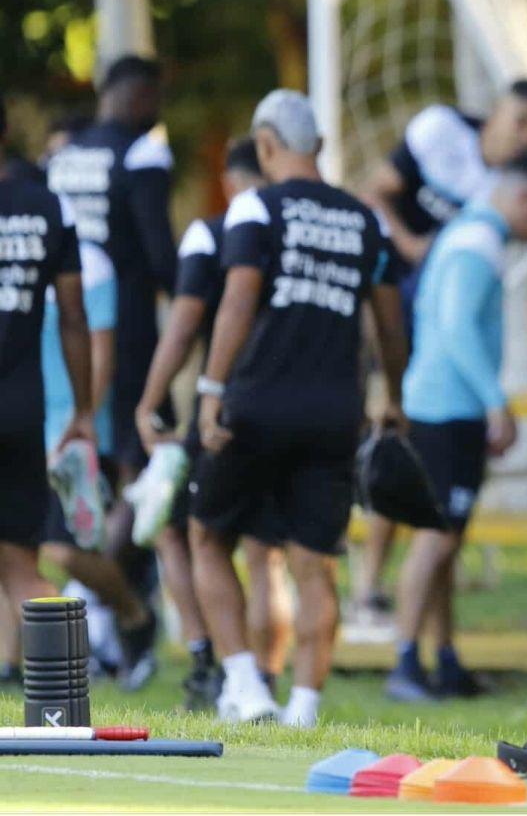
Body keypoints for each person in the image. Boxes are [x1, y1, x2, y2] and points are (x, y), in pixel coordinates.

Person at [190, 90, 406, 726]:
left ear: (265, 145)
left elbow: (238, 298)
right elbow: (390, 322)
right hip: (336, 412)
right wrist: (394, 397)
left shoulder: (256, 205)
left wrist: (210, 388)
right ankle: (304, 706)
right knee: (315, 563)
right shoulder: (367, 220)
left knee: (208, 535)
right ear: (320, 146)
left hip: (257, 401)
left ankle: (246, 687)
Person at [356, 79, 527, 622]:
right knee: (408, 468)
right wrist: (412, 245)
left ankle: (425, 636)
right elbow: (374, 192)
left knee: (433, 505)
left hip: (438, 343)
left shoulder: (521, 194)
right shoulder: (442, 135)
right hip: (400, 306)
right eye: (521, 121)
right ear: (496, 111)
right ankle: (373, 597)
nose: (526, 136)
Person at [385, 153, 527, 702]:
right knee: (436, 537)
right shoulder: (478, 244)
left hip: (437, 402)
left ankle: (444, 658)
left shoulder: (466, 233)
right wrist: (495, 403)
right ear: (524, 198)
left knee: (445, 539)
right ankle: (405, 662)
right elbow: (457, 327)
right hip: (449, 409)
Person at [134, 138, 291, 710]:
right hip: (290, 409)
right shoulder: (300, 231)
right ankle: (265, 682)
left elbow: (182, 327)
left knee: (184, 533)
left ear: (230, 180)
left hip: (226, 410)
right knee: (266, 556)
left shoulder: (211, 232)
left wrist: (150, 401)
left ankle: (211, 667)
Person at [47, 55, 176, 482]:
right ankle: (131, 522)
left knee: (79, 434)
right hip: (127, 323)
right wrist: (189, 301)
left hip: (64, 320)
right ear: (141, 95)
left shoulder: (63, 157)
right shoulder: (142, 152)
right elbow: (159, 250)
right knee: (142, 443)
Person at [40, 237, 158, 686]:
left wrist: (84, 417)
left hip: (73, 433)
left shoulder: (89, 262)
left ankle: (134, 614)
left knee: (65, 549)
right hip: (24, 424)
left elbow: (100, 348)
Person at [0, 98, 94, 627]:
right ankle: (62, 676)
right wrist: (83, 410)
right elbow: (74, 316)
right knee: (21, 568)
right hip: (21, 410)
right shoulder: (50, 208)